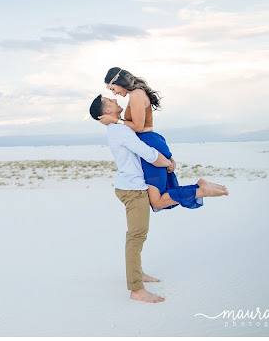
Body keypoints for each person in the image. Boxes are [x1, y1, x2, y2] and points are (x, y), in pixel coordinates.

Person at [90, 95, 229, 303]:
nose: (114, 99)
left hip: (133, 186)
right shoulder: (119, 130)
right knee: (136, 237)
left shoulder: (118, 127)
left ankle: (138, 273)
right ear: (107, 111)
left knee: (139, 234)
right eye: (110, 99)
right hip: (132, 190)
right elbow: (145, 152)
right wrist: (166, 162)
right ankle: (136, 289)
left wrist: (168, 161)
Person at [99, 67, 228, 211]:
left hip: (148, 141)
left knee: (157, 201)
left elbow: (139, 127)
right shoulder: (136, 94)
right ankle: (200, 188)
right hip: (150, 142)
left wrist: (116, 121)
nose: (114, 93)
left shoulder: (136, 94)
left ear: (119, 81)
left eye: (112, 88)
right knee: (157, 199)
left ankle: (201, 190)